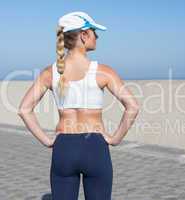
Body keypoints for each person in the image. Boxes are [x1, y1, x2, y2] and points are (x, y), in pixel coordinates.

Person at [17, 11, 140, 200]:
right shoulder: (103, 72)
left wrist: (47, 140)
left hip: (64, 147)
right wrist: (115, 139)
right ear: (83, 35)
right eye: (93, 32)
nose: (97, 37)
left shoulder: (49, 73)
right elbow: (133, 106)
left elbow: (24, 109)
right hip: (95, 147)